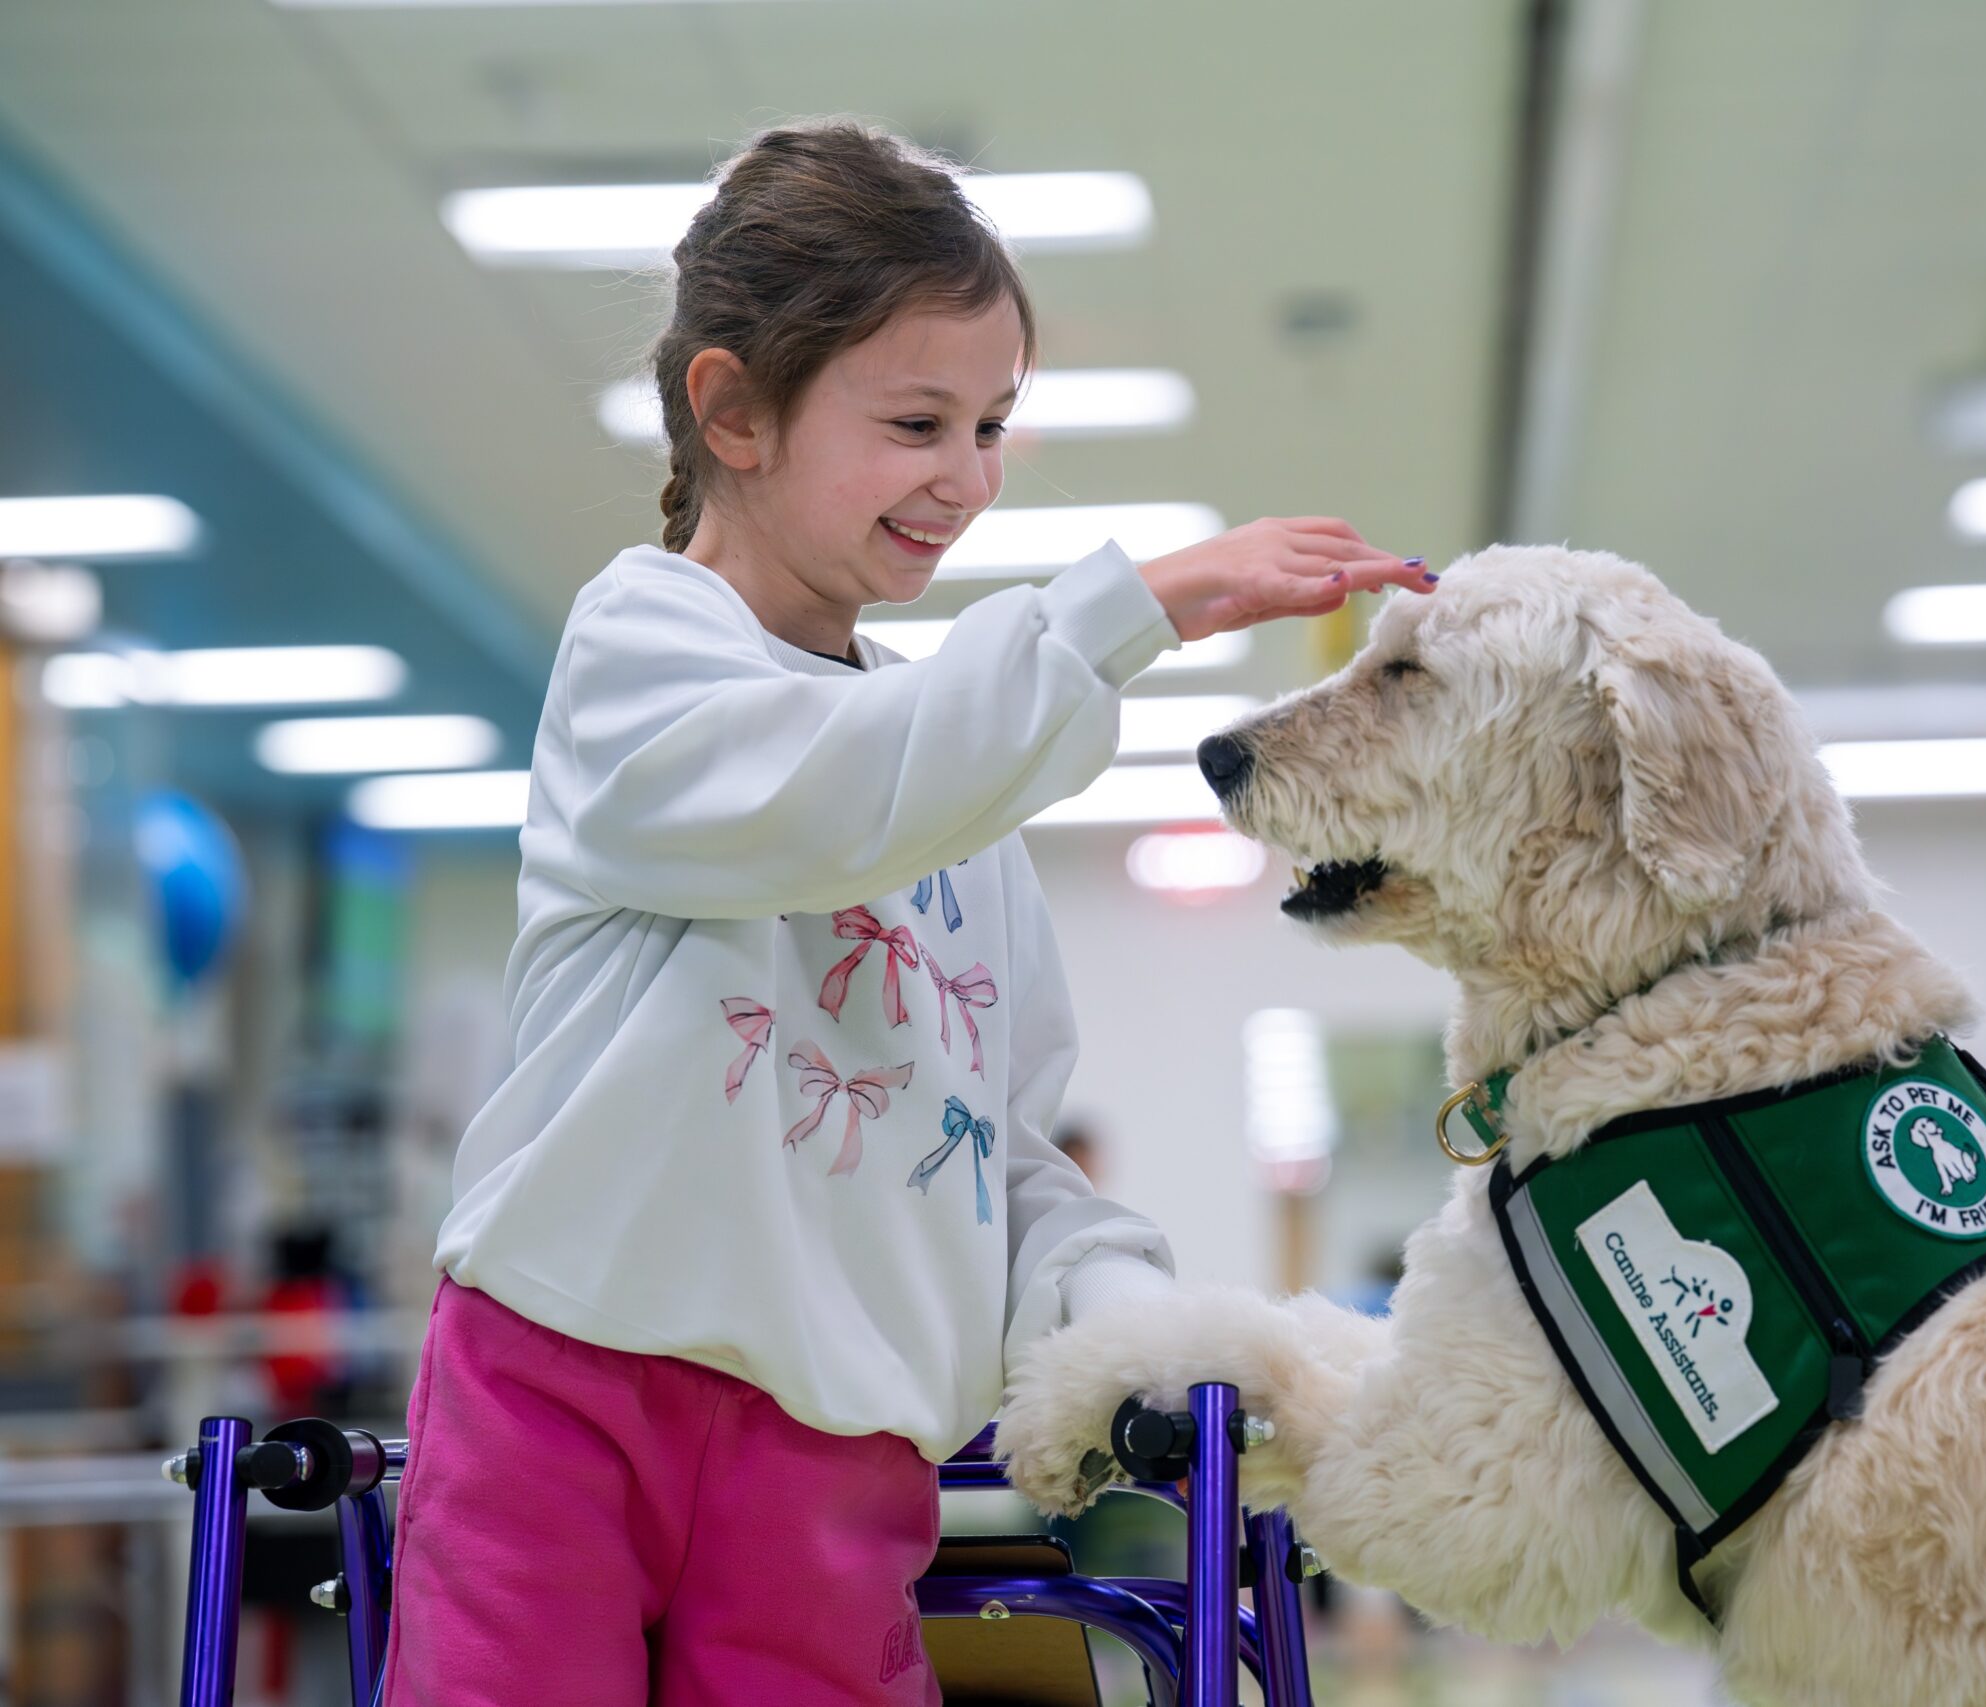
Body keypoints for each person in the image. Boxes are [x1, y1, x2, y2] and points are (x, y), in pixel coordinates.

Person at [385, 119, 1435, 1706]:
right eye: (918, 420)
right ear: (731, 409)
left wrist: (1141, 1324)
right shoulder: (644, 650)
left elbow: (999, 1151)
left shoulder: (958, 797)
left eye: (994, 424)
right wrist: (1136, 606)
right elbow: (823, 790)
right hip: (566, 1380)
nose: (966, 476)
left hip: (835, 1444)